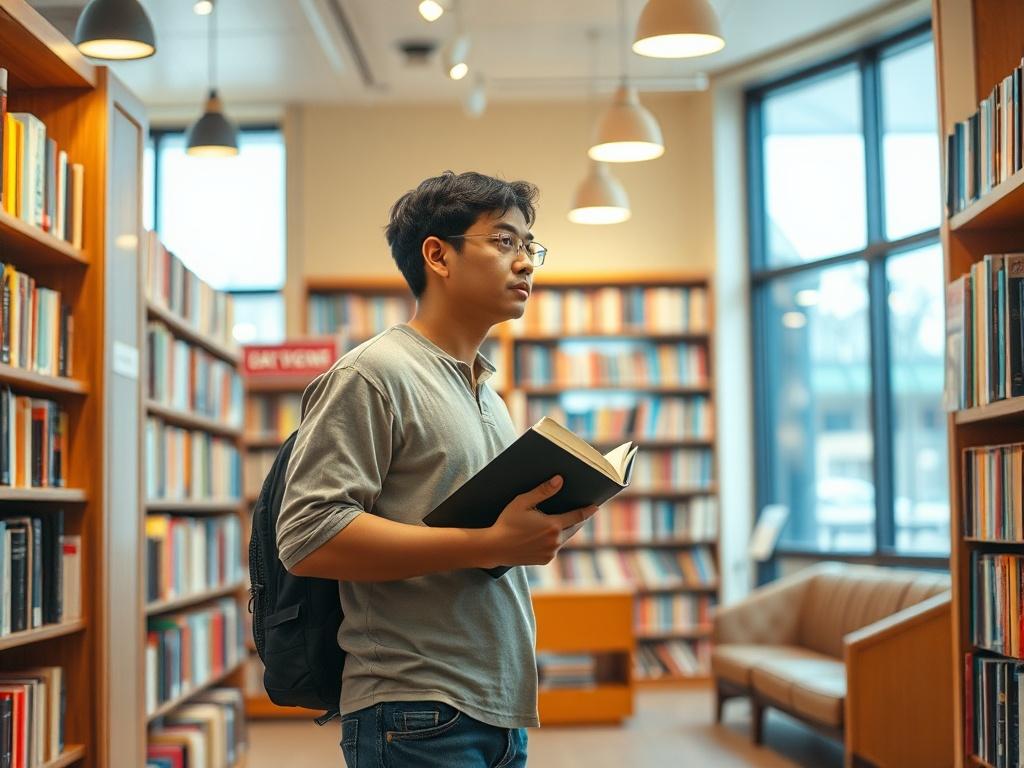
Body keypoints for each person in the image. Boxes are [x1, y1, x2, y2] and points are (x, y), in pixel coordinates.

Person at [277, 171, 598, 768]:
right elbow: (309, 536)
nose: (527, 263)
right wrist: (487, 543)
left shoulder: (488, 393)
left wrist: (529, 532)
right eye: (505, 241)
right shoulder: (372, 374)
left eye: (530, 246)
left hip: (495, 706)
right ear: (438, 255)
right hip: (415, 708)